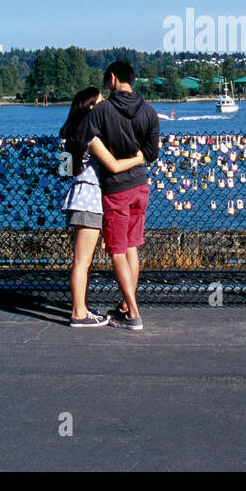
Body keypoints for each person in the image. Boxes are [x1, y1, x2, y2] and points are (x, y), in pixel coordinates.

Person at [75, 60, 160, 331]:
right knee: (132, 246)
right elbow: (152, 154)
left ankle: (133, 313)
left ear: (112, 78)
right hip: (140, 187)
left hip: (115, 189)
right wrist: (137, 157)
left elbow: (78, 139)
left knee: (117, 251)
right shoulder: (149, 112)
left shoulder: (101, 112)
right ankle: (126, 305)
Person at [58, 87, 146, 327]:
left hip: (79, 197)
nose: (105, 104)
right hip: (91, 199)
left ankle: (82, 307)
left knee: (81, 259)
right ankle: (78, 312)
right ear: (91, 108)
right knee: (82, 260)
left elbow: (64, 170)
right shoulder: (91, 138)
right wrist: (140, 158)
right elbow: (114, 166)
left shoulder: (69, 134)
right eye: (101, 101)